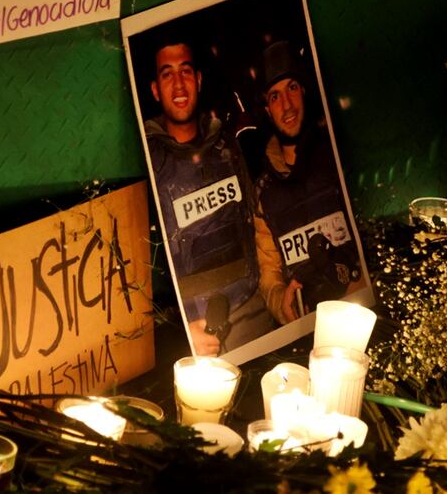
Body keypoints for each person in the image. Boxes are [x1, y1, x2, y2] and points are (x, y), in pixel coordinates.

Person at [143, 38, 276, 355]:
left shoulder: (227, 147)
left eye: (186, 71)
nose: (178, 84)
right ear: (155, 90)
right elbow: (140, 270)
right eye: (167, 74)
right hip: (191, 332)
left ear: (198, 80)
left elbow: (256, 224)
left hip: (250, 310)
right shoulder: (148, 164)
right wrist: (179, 330)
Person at [254, 41, 365, 325]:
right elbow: (269, 275)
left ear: (303, 91)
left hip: (362, 313)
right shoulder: (264, 193)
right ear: (267, 109)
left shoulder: (339, 157)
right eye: (275, 96)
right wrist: (284, 303)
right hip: (310, 329)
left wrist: (364, 282)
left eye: (291, 88)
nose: (287, 105)